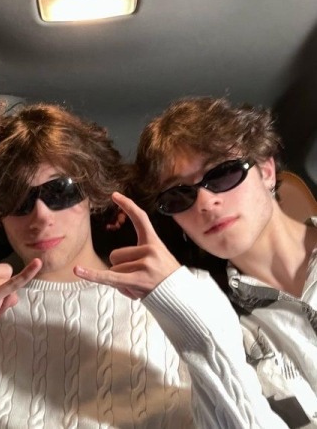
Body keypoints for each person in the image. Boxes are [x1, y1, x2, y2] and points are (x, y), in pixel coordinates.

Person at [0, 103, 286, 428]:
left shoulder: (190, 291)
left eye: (59, 191)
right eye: (16, 199)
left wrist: (181, 306)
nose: (40, 216)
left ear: (91, 194)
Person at [133, 96, 317, 428]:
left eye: (222, 173)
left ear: (266, 171)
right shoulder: (219, 324)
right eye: (178, 195)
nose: (205, 202)